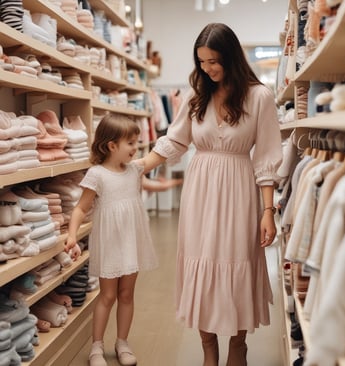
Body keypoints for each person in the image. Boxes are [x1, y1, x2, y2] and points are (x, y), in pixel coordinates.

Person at [136, 23, 283, 366]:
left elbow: (266, 159)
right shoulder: (195, 93)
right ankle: (208, 349)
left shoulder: (259, 96)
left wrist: (267, 212)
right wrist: (137, 166)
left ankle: (238, 346)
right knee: (200, 261)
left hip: (239, 187)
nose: (208, 69)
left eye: (214, 61)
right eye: (201, 62)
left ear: (231, 57)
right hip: (200, 189)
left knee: (238, 260)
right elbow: (175, 141)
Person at [65, 113, 158, 366]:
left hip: (131, 242)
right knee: (107, 296)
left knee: (127, 294)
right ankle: (97, 346)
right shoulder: (96, 174)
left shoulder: (135, 169)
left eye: (136, 142)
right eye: (130, 142)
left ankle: (122, 342)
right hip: (110, 243)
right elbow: (80, 209)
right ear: (111, 146)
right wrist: (72, 236)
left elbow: (161, 152)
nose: (135, 147)